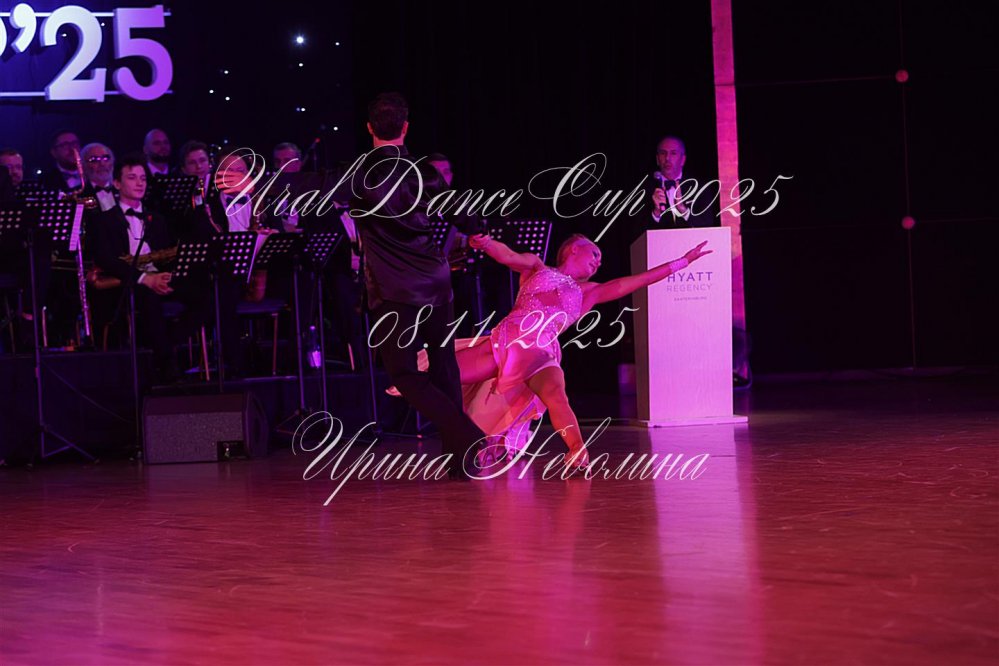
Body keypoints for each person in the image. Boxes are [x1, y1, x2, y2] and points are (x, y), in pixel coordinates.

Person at [452, 232, 711, 469]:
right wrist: (485, 243)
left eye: (600, 260)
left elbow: (637, 281)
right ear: (574, 248)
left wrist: (682, 262)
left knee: (556, 395)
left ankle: (577, 450)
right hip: (504, 341)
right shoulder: (536, 267)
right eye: (595, 254)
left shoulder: (589, 292)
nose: (598, 262)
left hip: (540, 352)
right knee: (442, 376)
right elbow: (507, 255)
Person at [350, 92, 487, 478]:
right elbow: (460, 212)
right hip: (435, 283)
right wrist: (479, 230)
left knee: (405, 375)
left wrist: (255, 183)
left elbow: (309, 184)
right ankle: (461, 461)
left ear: (369, 128)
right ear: (405, 127)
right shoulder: (424, 173)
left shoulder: (358, 175)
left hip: (395, 291)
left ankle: (467, 436)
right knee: (443, 367)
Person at [650, 135, 714, 228]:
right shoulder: (645, 189)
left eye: (673, 153)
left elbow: (708, 225)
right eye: (663, 153)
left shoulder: (700, 188)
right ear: (657, 159)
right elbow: (636, 230)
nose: (667, 158)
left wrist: (684, 210)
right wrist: (656, 213)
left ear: (683, 159)